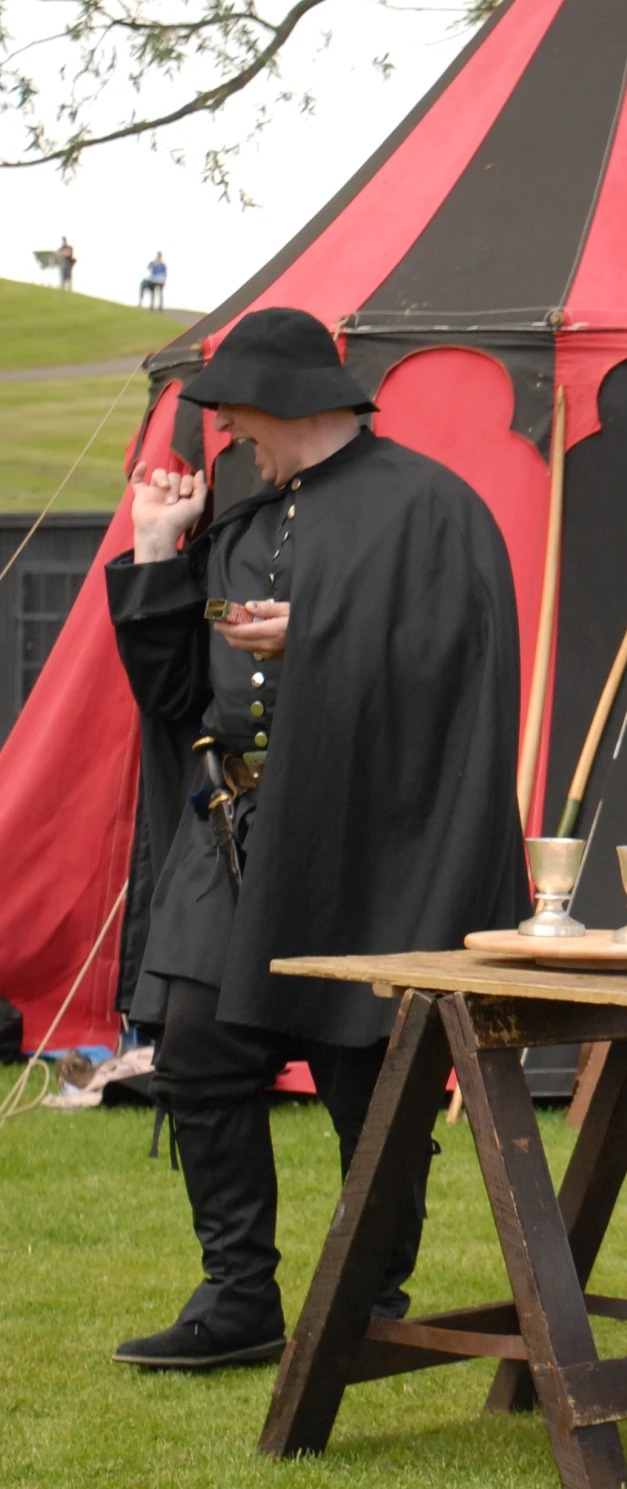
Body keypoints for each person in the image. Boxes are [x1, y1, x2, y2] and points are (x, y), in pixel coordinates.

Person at [107, 306, 529, 1370]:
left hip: (369, 842)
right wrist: (160, 552)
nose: (227, 430)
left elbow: (459, 668)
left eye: (235, 409)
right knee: (198, 1057)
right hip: (236, 836)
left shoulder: (431, 508)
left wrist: (320, 633)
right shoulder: (248, 524)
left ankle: (366, 1300)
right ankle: (238, 1295)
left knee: (364, 1079)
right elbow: (175, 696)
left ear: (280, 399)